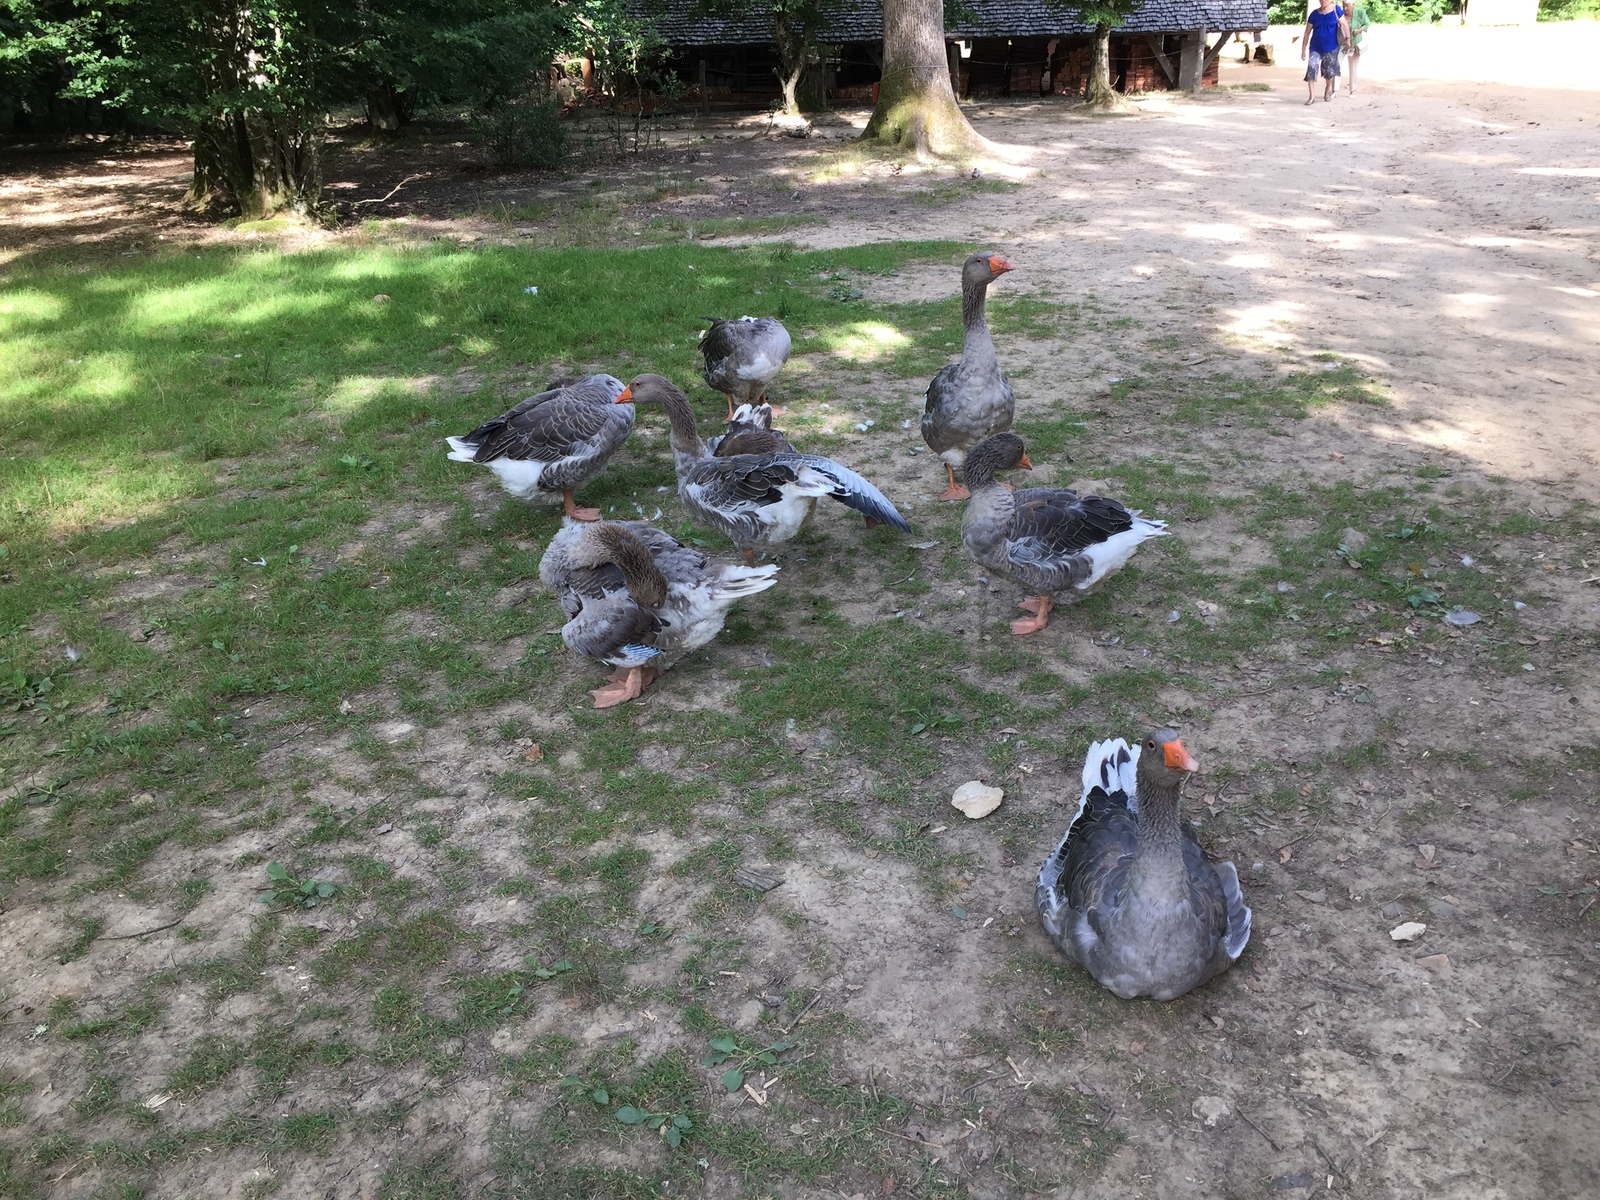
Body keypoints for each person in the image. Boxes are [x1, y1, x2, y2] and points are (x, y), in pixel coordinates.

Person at [1301, 0, 1350, 106]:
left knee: (1329, 72)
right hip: (1315, 47)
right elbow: (1307, 33)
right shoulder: (1314, 14)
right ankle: (1311, 96)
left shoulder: (1336, 10)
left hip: (1331, 47)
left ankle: (1328, 88)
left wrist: (1348, 39)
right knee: (1311, 69)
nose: (1323, 1)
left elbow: (1344, 25)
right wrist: (1303, 49)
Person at [1345, 2, 1371, 95]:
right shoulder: (1340, 13)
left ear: (1353, 4)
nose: (1345, 8)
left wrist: (1359, 30)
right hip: (1341, 44)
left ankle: (1352, 90)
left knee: (1353, 66)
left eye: (1347, 5)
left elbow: (1367, 24)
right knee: (1336, 64)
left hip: (1354, 44)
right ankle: (1334, 90)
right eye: (1343, 5)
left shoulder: (1360, 12)